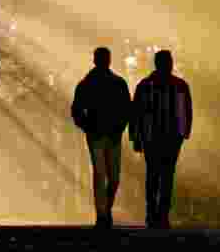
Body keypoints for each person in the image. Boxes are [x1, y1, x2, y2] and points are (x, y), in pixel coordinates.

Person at [129, 49, 193, 229]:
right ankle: (160, 215)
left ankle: (154, 215)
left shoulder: (146, 85)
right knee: (165, 176)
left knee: (155, 176)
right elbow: (187, 112)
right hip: (168, 138)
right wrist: (184, 133)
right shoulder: (179, 86)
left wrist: (135, 137)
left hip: (156, 138)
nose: (169, 65)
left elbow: (135, 114)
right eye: (168, 62)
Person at [71, 46, 131, 230]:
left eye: (105, 58)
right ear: (97, 60)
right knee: (100, 175)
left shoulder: (117, 83)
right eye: (101, 58)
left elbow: (127, 109)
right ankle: (102, 215)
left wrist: (120, 127)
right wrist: (87, 126)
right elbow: (76, 110)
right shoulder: (87, 83)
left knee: (113, 178)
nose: (104, 61)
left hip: (112, 135)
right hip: (96, 135)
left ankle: (105, 210)